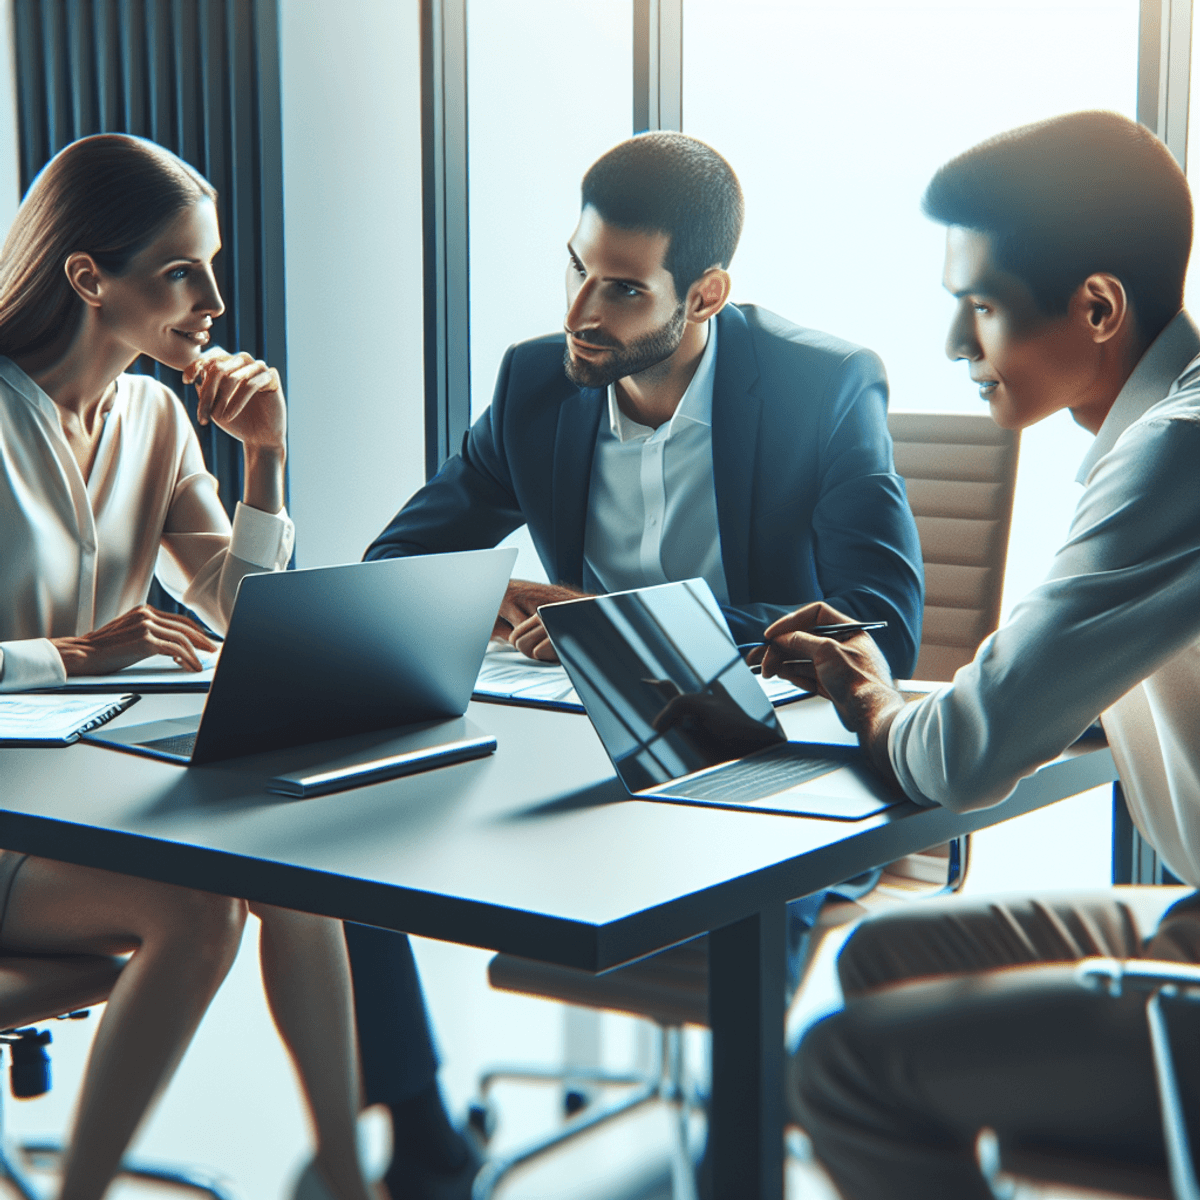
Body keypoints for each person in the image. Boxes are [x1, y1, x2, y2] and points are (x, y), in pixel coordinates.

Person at [758, 111, 1200, 1199]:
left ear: (1097, 307)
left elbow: (957, 762)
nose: (960, 346)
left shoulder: (1173, 455)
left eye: (985, 307)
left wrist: (869, 694)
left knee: (843, 1071)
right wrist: (903, 697)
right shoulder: (1155, 437)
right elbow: (1039, 701)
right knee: (876, 958)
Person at [0, 133, 383, 1200]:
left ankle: (349, 1184)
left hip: (88, 799)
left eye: (210, 266)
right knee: (200, 907)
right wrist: (71, 656)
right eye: (180, 270)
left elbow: (245, 611)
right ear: (89, 278)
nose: (214, 298)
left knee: (299, 868)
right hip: (6, 826)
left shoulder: (157, 417)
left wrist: (264, 456)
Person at [365, 131, 924, 680]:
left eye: (625, 289)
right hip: (580, 719)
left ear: (705, 296)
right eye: (579, 269)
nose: (577, 316)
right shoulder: (532, 386)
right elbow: (392, 565)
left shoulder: (823, 389)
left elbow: (882, 629)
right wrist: (491, 597)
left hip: (767, 727)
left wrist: (629, 627)